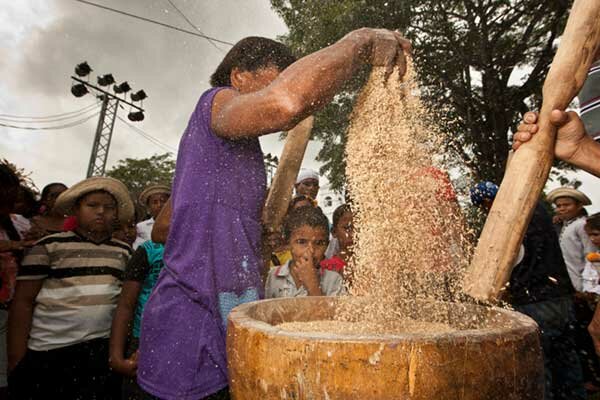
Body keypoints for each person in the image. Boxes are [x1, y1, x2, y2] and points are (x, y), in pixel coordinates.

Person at [138, 30, 410, 399]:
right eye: (276, 77)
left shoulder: (231, 150)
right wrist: (359, 43)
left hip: (230, 325)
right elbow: (287, 103)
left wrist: (245, 237)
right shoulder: (216, 103)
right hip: (191, 332)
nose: (284, 87)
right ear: (239, 77)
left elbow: (165, 227)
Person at [7, 177, 134, 399]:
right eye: (92, 205)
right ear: (76, 209)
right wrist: (17, 359)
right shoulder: (48, 246)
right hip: (49, 350)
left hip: (100, 351)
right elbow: (23, 302)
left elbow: (124, 304)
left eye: (109, 207)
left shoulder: (123, 252)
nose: (101, 211)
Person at [471, 181, 585, 399]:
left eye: (484, 207)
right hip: (560, 296)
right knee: (567, 358)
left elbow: (510, 262)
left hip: (533, 300)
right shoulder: (538, 208)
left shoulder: (505, 220)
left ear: (487, 202)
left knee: (539, 364)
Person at [109, 238, 167, 399]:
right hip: (143, 340)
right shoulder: (150, 250)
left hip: (187, 343)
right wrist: (116, 357)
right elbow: (126, 305)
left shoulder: (202, 248)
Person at [265, 207, 344, 298]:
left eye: (319, 243)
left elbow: (330, 312)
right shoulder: (274, 277)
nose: (311, 251)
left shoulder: (333, 280)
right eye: (301, 242)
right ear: (288, 243)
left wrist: (313, 286)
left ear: (327, 245)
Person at [547, 187, 595, 291]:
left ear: (579, 206)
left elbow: (591, 254)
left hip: (582, 283)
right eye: (559, 206)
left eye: (567, 205)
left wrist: (589, 286)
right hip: (567, 280)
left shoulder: (582, 225)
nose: (562, 208)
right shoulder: (566, 225)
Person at [132, 185, 170, 250]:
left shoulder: (178, 224)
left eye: (163, 201)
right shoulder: (140, 227)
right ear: (149, 208)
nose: (159, 205)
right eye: (155, 202)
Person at [320, 204, 353, 277]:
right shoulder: (328, 267)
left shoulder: (371, 264)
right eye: (347, 228)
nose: (353, 234)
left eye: (358, 228)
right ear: (334, 232)